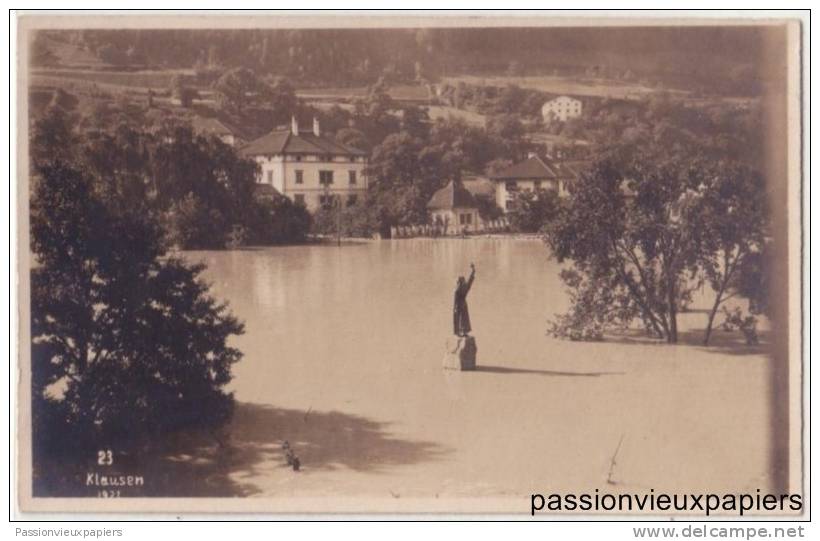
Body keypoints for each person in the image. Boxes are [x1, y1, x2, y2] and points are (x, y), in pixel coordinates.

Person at [453, 263, 475, 337]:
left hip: (460, 306)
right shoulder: (461, 289)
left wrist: (473, 272)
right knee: (462, 319)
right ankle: (462, 331)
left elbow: (469, 282)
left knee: (461, 318)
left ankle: (461, 331)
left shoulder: (458, 289)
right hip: (462, 305)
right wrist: (472, 272)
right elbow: (469, 282)